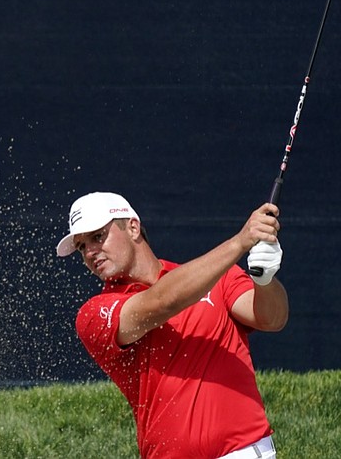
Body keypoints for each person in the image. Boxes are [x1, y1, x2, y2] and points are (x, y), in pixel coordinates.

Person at [56, 192, 289, 458]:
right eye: (82, 246)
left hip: (244, 452)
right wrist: (240, 242)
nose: (90, 252)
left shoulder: (216, 276)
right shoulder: (95, 314)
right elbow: (162, 301)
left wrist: (265, 280)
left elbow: (273, 319)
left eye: (98, 237)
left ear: (132, 227)